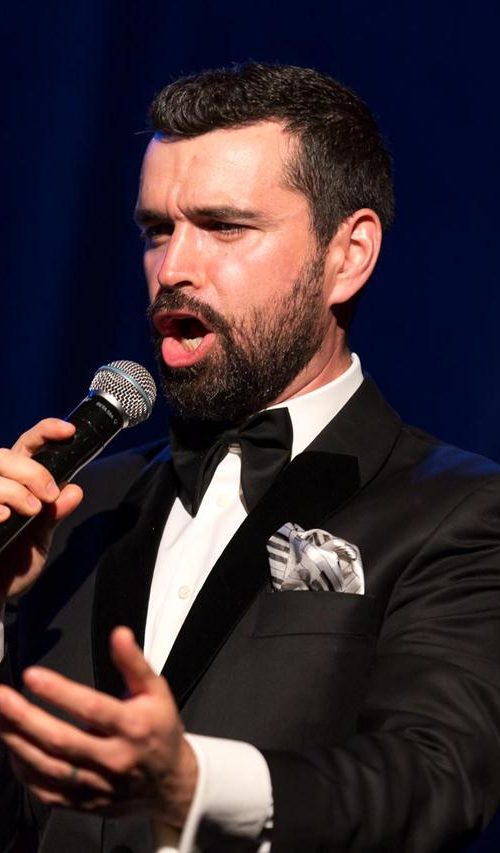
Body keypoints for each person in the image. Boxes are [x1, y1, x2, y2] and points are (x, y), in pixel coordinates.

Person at [1, 62, 500, 853]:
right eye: (157, 230)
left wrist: (198, 785)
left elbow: (436, 776)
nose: (173, 268)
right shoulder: (79, 505)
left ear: (348, 255)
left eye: (224, 226)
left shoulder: (456, 509)